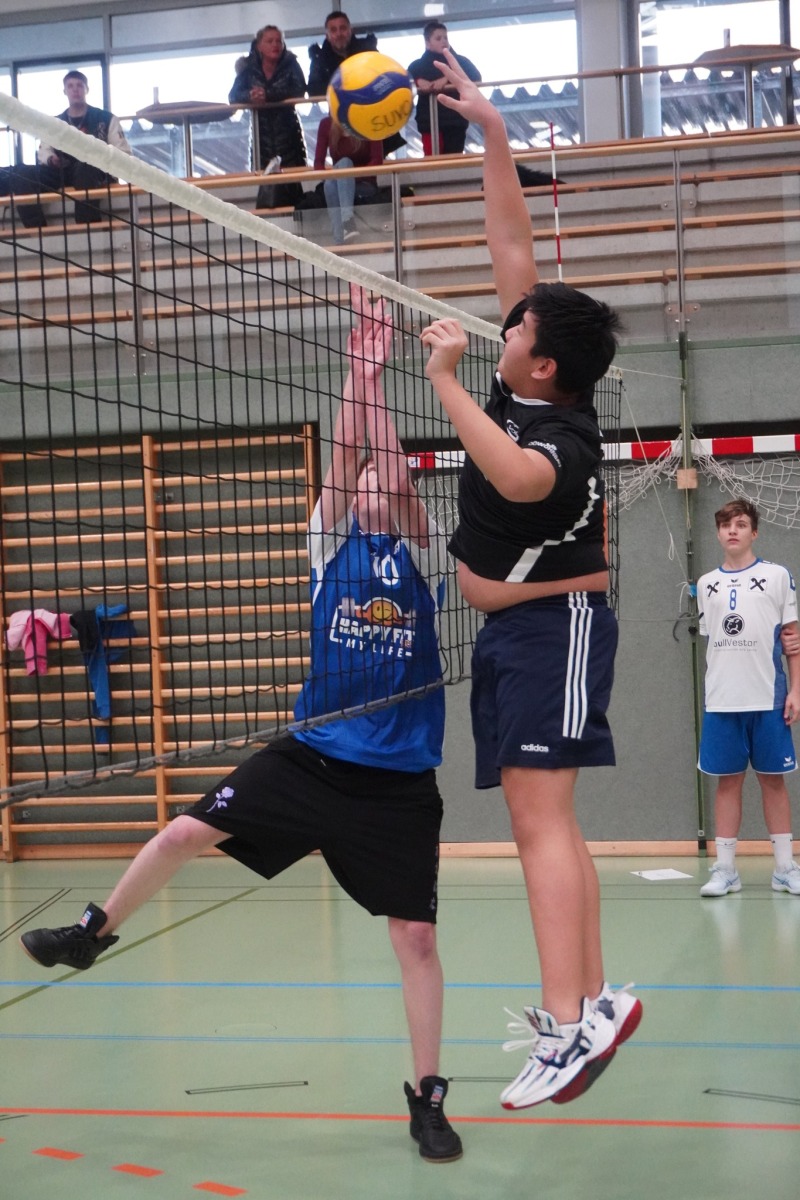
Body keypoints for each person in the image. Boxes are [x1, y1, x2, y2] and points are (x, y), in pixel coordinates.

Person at [19, 293, 463, 1165]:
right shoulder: (327, 548)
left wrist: (376, 380)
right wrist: (358, 371)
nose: (373, 484)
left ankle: (428, 1098)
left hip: (398, 785)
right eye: (362, 482)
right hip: (312, 758)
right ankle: (92, 932)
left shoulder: (424, 554)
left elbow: (392, 470)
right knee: (184, 830)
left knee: (414, 937)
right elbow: (349, 455)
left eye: (383, 480)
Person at [418, 50, 640, 1110]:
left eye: (515, 330)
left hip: (558, 631)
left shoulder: (560, 436)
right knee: (542, 821)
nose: (504, 324)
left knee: (539, 824)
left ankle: (566, 1024)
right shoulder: (530, 376)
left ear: (540, 363)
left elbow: (514, 476)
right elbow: (512, 242)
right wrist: (493, 132)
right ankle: (590, 1002)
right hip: (520, 631)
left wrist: (443, 381)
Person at [696, 499, 800, 897]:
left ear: (754, 532)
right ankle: (725, 870)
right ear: (718, 533)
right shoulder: (706, 584)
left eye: (740, 524)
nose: (733, 530)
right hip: (723, 700)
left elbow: (791, 640)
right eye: (726, 525)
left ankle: (785, 868)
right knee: (728, 783)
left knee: (773, 781)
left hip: (768, 698)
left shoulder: (777, 576)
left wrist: (795, 690)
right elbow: (714, 641)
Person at [0, 70, 131, 227]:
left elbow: (123, 153)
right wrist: (51, 159)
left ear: (87, 89)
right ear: (65, 91)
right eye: (70, 86)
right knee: (22, 174)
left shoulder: (106, 118)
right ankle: (37, 230)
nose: (75, 90)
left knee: (86, 167)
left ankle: (87, 228)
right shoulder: (55, 123)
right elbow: (44, 151)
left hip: (94, 171)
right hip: (62, 171)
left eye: (79, 85)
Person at [228, 26, 307, 209]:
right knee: (266, 189)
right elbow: (233, 96)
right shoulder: (248, 69)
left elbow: (300, 90)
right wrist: (250, 96)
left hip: (288, 135)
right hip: (261, 137)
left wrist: (268, 95)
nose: (275, 45)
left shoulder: (291, 64)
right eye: (270, 41)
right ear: (259, 46)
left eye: (279, 41)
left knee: (293, 186)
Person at [407, 23, 481, 157]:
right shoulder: (416, 66)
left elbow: (476, 78)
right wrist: (417, 82)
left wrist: (448, 78)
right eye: (438, 38)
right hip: (429, 122)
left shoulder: (460, 62)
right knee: (433, 161)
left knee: (454, 161)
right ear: (427, 43)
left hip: (455, 121)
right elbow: (404, 83)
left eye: (445, 38)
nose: (444, 41)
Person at [314, 114, 383, 244]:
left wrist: (349, 177)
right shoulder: (326, 124)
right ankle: (346, 227)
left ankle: (340, 238)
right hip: (338, 182)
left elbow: (377, 160)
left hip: (365, 184)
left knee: (342, 168)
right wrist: (341, 178)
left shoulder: (370, 120)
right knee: (330, 183)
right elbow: (318, 164)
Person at [308, 11, 378, 99]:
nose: (339, 34)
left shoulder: (368, 52)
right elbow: (313, 91)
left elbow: (381, 78)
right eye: (333, 30)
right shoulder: (319, 60)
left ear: (350, 31)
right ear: (327, 36)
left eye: (343, 28)